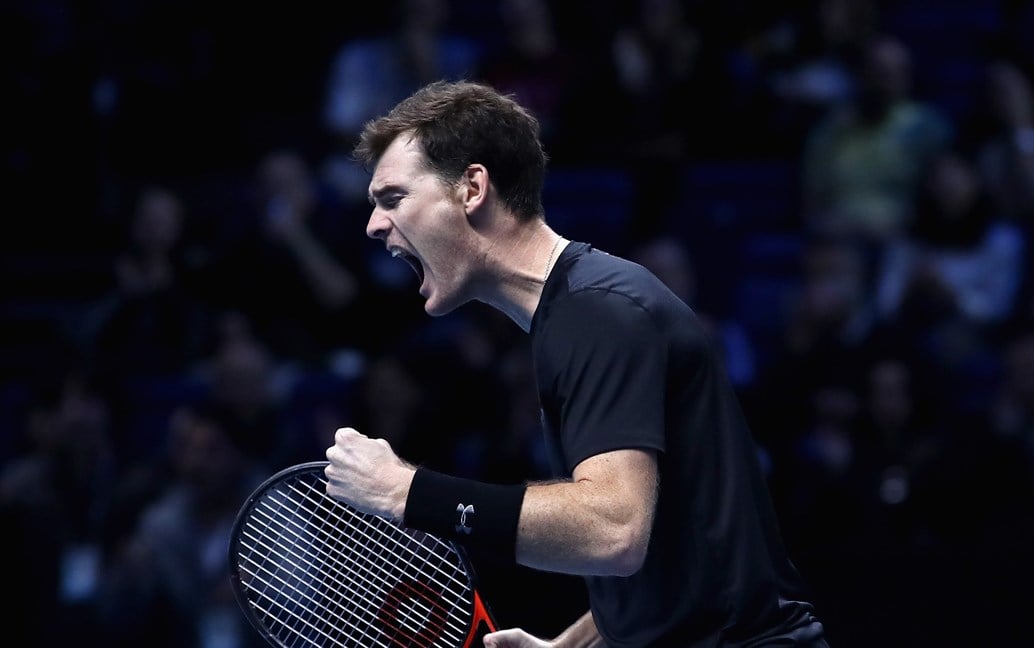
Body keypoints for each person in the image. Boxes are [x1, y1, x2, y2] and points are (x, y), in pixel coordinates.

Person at [322, 79, 829, 647]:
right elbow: (670, 535)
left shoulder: (595, 312)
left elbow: (614, 529)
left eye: (392, 198)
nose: (373, 224)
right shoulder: (584, 307)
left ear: (471, 189)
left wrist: (405, 492)